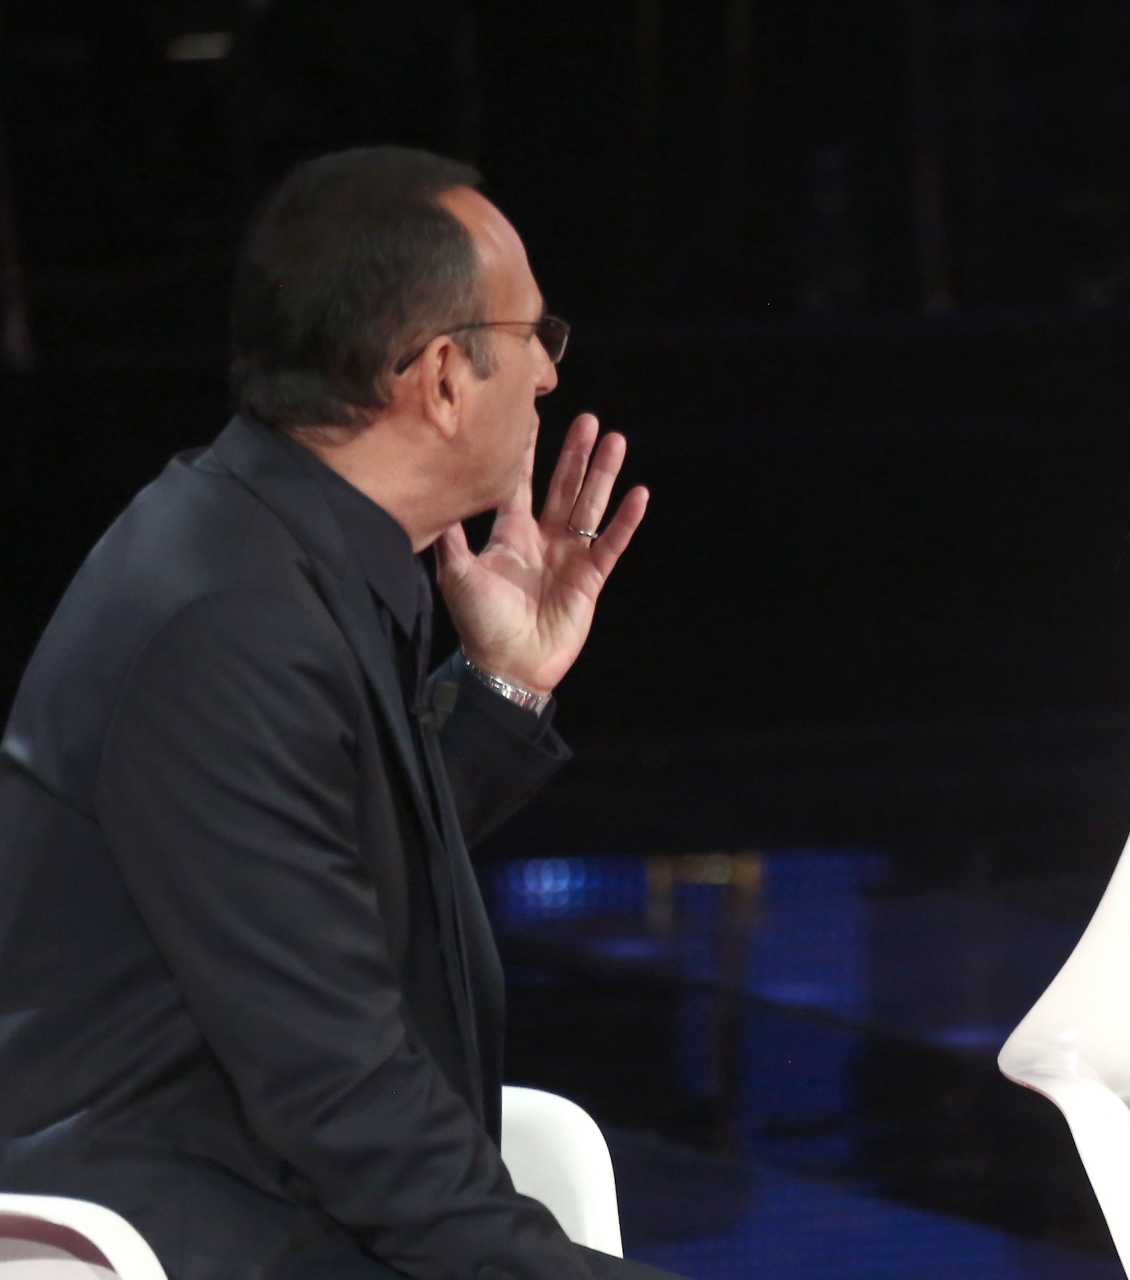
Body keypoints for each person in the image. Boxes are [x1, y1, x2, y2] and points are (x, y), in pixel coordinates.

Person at [0, 148, 677, 1279]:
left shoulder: (272, 552)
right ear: (443, 376)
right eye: (533, 335)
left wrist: (501, 686)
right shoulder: (225, 619)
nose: (549, 375)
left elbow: (317, 854)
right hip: (200, 1236)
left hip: (278, 1205)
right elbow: (351, 1104)